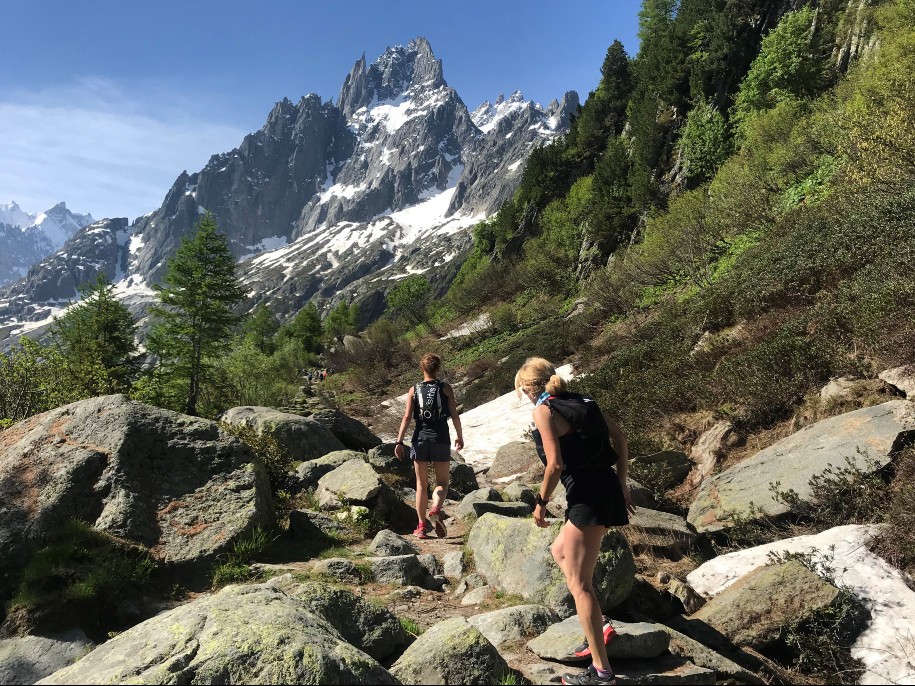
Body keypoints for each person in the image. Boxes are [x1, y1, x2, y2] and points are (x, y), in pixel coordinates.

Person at [515, 357, 634, 686]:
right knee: (559, 550)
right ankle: (599, 624)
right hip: (604, 487)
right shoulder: (582, 399)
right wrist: (622, 483)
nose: (523, 396)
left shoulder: (544, 410)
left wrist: (540, 503)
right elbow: (620, 438)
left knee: (580, 587)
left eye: (522, 390)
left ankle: (602, 674)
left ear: (529, 387)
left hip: (587, 498)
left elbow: (554, 465)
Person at [394, 353, 464, 539]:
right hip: (440, 438)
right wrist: (459, 436)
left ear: (422, 369)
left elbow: (407, 417)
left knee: (421, 485)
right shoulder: (446, 388)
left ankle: (422, 526)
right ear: (438, 368)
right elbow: (454, 415)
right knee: (442, 483)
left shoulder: (414, 390)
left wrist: (400, 442)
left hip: (420, 439)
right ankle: (436, 509)